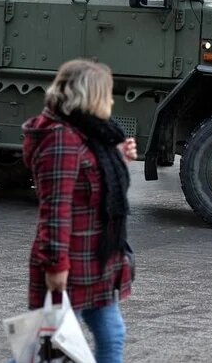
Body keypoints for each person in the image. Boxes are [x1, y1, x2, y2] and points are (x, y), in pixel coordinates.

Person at [23, 59, 137, 363]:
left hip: (96, 260)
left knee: (112, 335)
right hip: (72, 264)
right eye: (107, 94)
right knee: (42, 351)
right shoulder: (60, 139)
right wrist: (56, 265)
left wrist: (117, 160)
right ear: (90, 97)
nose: (111, 101)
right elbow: (55, 208)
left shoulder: (85, 132)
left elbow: (92, 184)